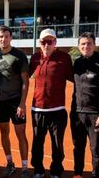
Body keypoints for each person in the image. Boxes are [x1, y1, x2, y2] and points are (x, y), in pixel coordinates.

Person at [29, 28, 74, 178]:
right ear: (40, 43)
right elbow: (25, 76)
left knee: (57, 144)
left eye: (50, 41)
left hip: (58, 110)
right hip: (38, 109)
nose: (46, 45)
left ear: (55, 43)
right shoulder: (35, 58)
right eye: (43, 42)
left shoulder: (65, 58)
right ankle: (38, 170)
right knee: (37, 143)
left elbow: (76, 79)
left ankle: (56, 171)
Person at [70, 32, 99, 178]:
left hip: (96, 115)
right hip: (77, 114)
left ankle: (96, 174)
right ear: (79, 46)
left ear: (94, 45)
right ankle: (78, 173)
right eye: (83, 44)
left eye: (89, 43)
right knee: (78, 147)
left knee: (96, 149)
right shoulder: (77, 63)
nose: (86, 46)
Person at [0, 25, 29, 178]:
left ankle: (25, 167)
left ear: (10, 38)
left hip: (16, 101)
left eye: (6, 36)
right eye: (1, 36)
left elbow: (26, 82)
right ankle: (10, 163)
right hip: (0, 101)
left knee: (21, 134)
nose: (3, 39)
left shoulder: (19, 55)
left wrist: (22, 104)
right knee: (4, 133)